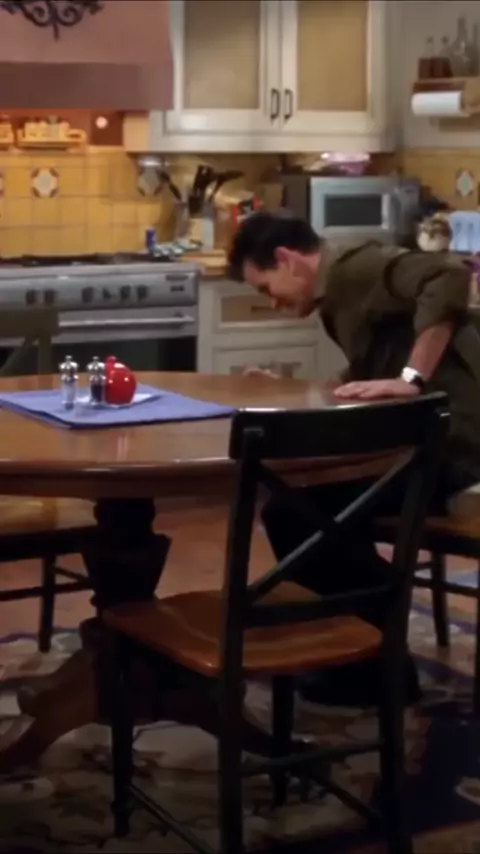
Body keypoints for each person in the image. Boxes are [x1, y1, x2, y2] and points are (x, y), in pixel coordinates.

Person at [227, 211, 480, 707]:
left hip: (456, 447)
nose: (272, 302)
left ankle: (377, 665)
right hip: (430, 439)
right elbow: (374, 364)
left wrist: (411, 379)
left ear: (287, 259)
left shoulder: (354, 269)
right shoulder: (337, 292)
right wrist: (306, 390)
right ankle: (371, 659)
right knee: (305, 511)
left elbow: (448, 274)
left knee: (295, 513)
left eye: (265, 287)